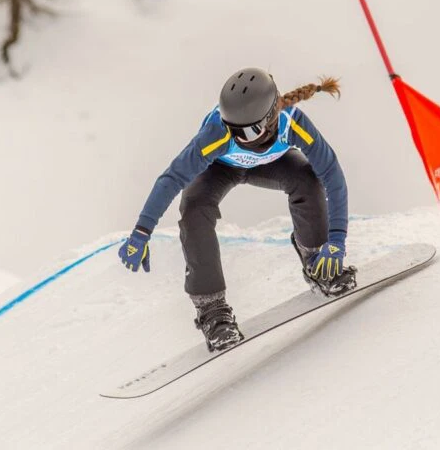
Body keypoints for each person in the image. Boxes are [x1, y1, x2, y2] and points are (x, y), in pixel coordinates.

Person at [118, 68, 355, 352]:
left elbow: (332, 175)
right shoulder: (218, 132)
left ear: (271, 119)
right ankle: (212, 309)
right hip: (220, 167)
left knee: (308, 180)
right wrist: (142, 231)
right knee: (194, 208)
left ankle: (318, 261)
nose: (239, 137)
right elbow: (172, 178)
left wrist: (336, 241)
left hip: (271, 164)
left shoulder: (292, 123)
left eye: (249, 130)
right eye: (232, 127)